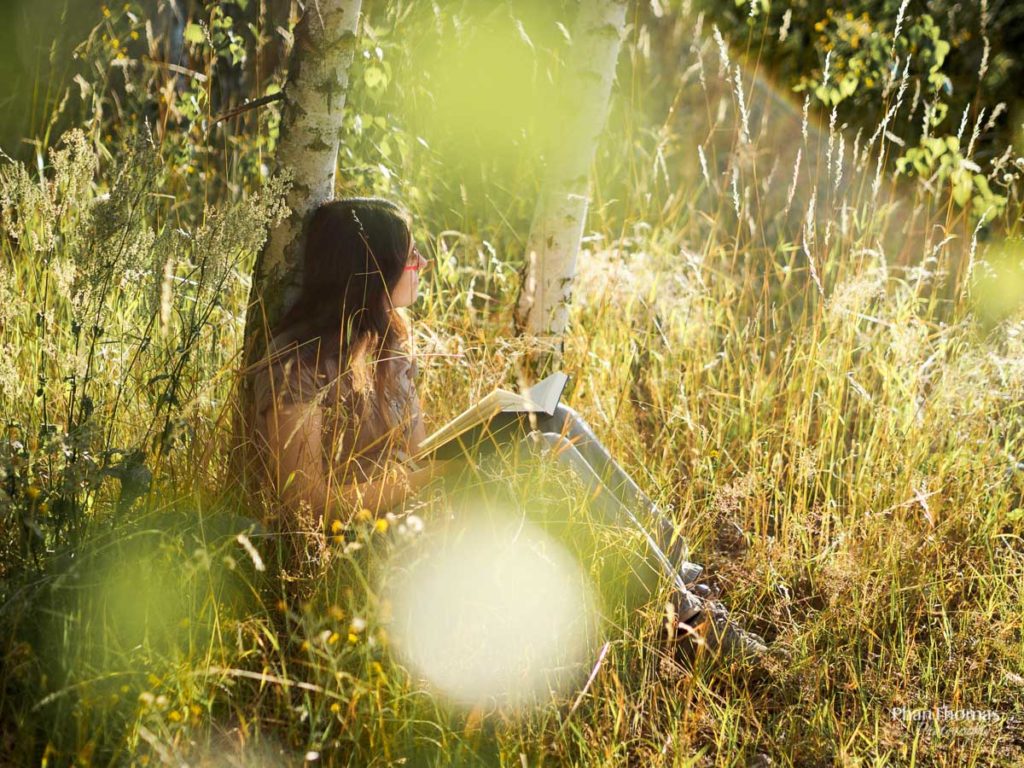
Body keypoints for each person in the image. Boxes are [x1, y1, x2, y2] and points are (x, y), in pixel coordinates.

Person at [245, 197, 767, 666]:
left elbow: (414, 449)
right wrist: (425, 480)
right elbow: (305, 504)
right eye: (410, 257)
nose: (423, 264)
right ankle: (690, 622)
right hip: (368, 541)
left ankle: (679, 571)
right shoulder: (298, 366)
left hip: (414, 502)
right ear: (372, 272)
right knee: (546, 458)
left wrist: (478, 436)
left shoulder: (389, 339)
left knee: (558, 422)